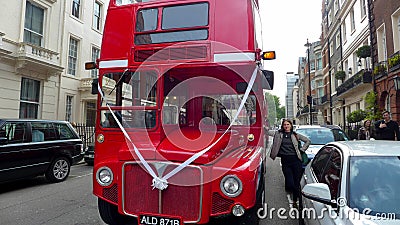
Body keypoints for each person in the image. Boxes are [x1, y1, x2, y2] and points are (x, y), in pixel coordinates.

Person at [266, 119, 311, 207]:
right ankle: (295, 195)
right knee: (290, 182)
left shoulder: (295, 135)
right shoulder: (278, 134)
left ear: (291, 126)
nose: (286, 126)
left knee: (296, 182)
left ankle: (295, 200)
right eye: (285, 125)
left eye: (288, 124)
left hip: (296, 161)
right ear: (283, 126)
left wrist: (302, 150)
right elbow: (267, 132)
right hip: (285, 161)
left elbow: (308, 141)